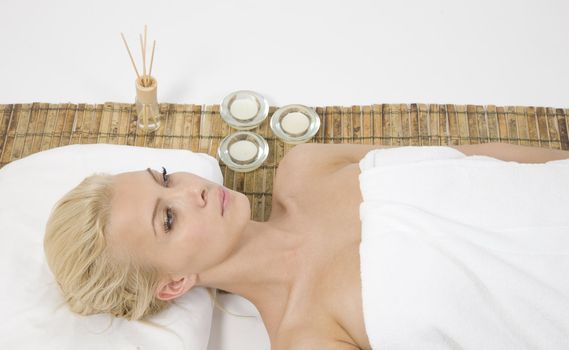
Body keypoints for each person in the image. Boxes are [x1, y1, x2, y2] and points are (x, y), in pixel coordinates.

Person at [43, 142, 569, 349]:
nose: (193, 189)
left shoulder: (306, 167)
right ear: (174, 283)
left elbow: (479, 157)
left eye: (164, 177)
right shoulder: (307, 338)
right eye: (170, 218)